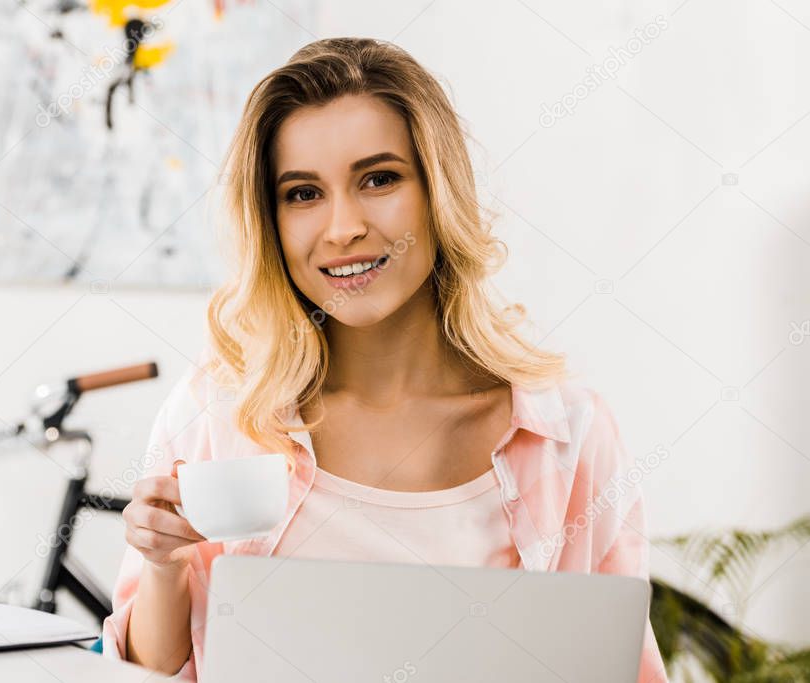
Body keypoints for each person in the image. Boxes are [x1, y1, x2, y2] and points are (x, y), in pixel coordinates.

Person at [102, 37, 669, 683]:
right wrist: (164, 567)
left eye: (378, 179)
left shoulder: (564, 434)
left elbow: (620, 668)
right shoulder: (220, 410)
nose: (342, 227)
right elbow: (148, 672)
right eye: (301, 193)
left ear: (437, 191)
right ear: (270, 219)